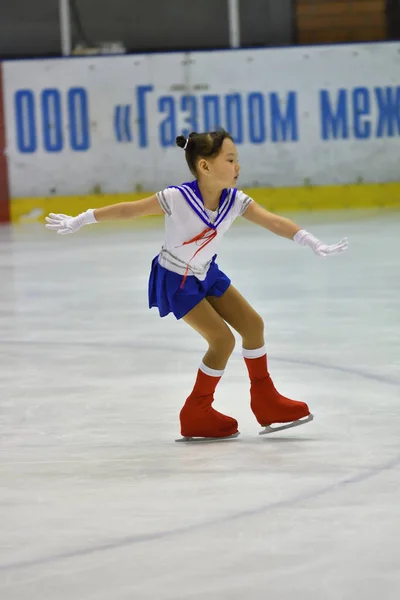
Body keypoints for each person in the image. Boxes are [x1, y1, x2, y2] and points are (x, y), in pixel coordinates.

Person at [45, 130, 348, 442]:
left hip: (206, 272)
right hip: (176, 279)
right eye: (230, 160)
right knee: (222, 341)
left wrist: (310, 241)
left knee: (253, 325)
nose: (237, 167)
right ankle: (196, 412)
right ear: (205, 166)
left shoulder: (234, 201)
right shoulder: (177, 199)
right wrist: (82, 219)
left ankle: (266, 401)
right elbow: (129, 209)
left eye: (237, 160)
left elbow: (272, 220)